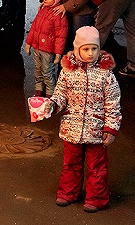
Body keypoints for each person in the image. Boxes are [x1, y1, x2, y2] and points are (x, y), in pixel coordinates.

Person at [41, 26, 121, 213]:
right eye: (86, 49)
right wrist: (52, 105)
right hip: (72, 129)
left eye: (94, 48)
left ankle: (97, 198)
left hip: (97, 131)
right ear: (77, 49)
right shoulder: (68, 72)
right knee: (70, 164)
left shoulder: (106, 74)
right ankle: (68, 193)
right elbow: (60, 95)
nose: (90, 53)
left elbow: (113, 103)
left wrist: (111, 128)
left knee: (97, 167)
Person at [25, 0, 68, 97]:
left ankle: (50, 93)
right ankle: (39, 90)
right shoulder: (42, 10)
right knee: (38, 71)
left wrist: (58, 53)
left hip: (48, 50)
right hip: (37, 48)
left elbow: (61, 36)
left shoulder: (58, 15)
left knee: (47, 72)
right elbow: (34, 28)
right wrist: (29, 43)